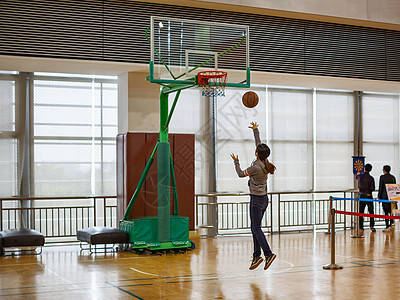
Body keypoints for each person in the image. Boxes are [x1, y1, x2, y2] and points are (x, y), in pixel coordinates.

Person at [230, 121, 276, 271]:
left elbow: (239, 174)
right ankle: (256, 256)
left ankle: (268, 254)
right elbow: (259, 145)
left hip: (256, 200)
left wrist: (236, 162)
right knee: (255, 228)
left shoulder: (255, 167)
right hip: (264, 199)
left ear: (257, 153)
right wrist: (256, 130)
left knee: (256, 228)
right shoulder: (265, 161)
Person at [356, 164, 375, 233]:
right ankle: (372, 226)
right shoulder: (371, 178)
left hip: (361, 196)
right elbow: (373, 188)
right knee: (371, 211)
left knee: (361, 212)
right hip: (369, 196)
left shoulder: (360, 176)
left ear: (364, 168)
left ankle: (361, 226)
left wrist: (358, 174)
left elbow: (357, 177)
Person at [378, 165, 396, 232]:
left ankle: (387, 226)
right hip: (391, 197)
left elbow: (381, 187)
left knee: (386, 212)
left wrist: (379, 197)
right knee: (391, 211)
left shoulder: (382, 177)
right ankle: (391, 223)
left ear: (384, 170)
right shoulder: (393, 177)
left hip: (384, 197)